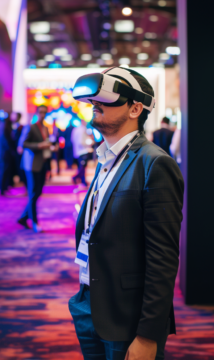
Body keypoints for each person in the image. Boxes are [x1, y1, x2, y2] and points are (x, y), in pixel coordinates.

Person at [68, 67, 184, 360]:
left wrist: (148, 334)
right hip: (88, 302)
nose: (96, 106)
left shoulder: (155, 164)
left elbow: (163, 258)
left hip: (127, 315)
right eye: (94, 102)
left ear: (135, 108)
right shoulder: (105, 157)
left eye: (106, 101)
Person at [17, 105, 52, 233]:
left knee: (38, 192)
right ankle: (34, 222)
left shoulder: (46, 128)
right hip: (31, 165)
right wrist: (39, 145)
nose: (43, 114)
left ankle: (23, 217)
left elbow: (46, 144)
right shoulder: (30, 127)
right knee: (32, 193)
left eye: (45, 112)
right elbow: (23, 144)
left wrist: (50, 147)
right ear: (37, 113)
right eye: (41, 112)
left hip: (42, 163)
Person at [0, 111, 14, 196]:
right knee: (3, 172)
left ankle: (3, 188)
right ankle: (2, 189)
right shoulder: (3, 126)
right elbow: (5, 141)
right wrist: (11, 150)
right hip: (3, 153)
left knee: (1, 171)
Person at [71, 120, 94, 186]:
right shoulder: (83, 129)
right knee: (83, 167)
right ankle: (76, 178)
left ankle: (82, 180)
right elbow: (81, 142)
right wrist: (89, 144)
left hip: (77, 151)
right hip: (83, 150)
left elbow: (72, 140)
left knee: (81, 167)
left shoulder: (75, 129)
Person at [10, 111, 27, 189]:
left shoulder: (21, 127)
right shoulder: (9, 126)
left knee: (20, 167)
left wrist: (20, 147)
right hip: (11, 150)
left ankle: (23, 181)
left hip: (19, 151)